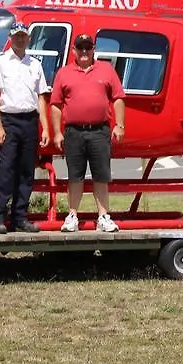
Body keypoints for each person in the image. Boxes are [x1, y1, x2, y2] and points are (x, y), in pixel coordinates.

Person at [50, 32, 125, 232]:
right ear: (74, 50)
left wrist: (119, 124)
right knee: (75, 176)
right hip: (73, 132)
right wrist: (57, 132)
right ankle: (72, 215)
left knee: (101, 175)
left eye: (88, 47)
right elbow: (55, 105)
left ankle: (103, 216)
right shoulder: (63, 73)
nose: (84, 51)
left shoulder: (107, 70)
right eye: (80, 48)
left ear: (93, 50)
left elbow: (118, 98)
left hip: (100, 130)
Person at [0, 21, 50, 234]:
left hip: (30, 120)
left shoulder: (35, 64)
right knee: (6, 170)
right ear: (10, 38)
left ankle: (20, 217)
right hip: (9, 120)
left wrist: (46, 127)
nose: (20, 39)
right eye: (16, 36)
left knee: (26, 171)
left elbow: (41, 97)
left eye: (23, 36)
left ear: (28, 38)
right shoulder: (0, 62)